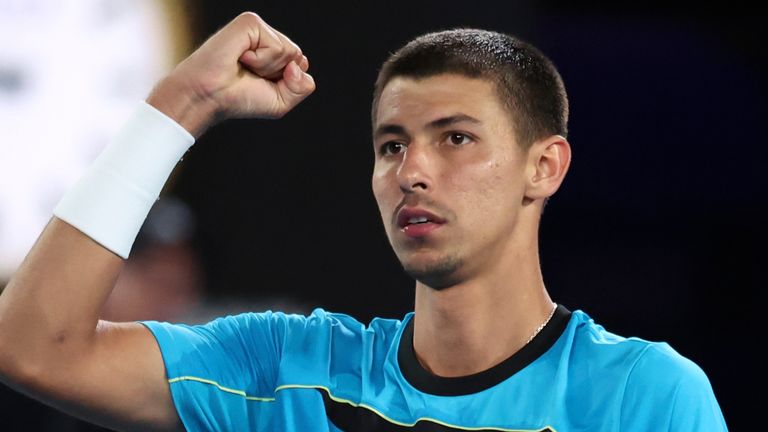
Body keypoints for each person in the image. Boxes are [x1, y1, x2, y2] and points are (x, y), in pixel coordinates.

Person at [0, 11, 727, 432]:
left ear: (545, 167)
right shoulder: (284, 371)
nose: (411, 171)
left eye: (456, 138)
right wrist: (181, 102)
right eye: (391, 146)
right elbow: (33, 346)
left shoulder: (643, 393)